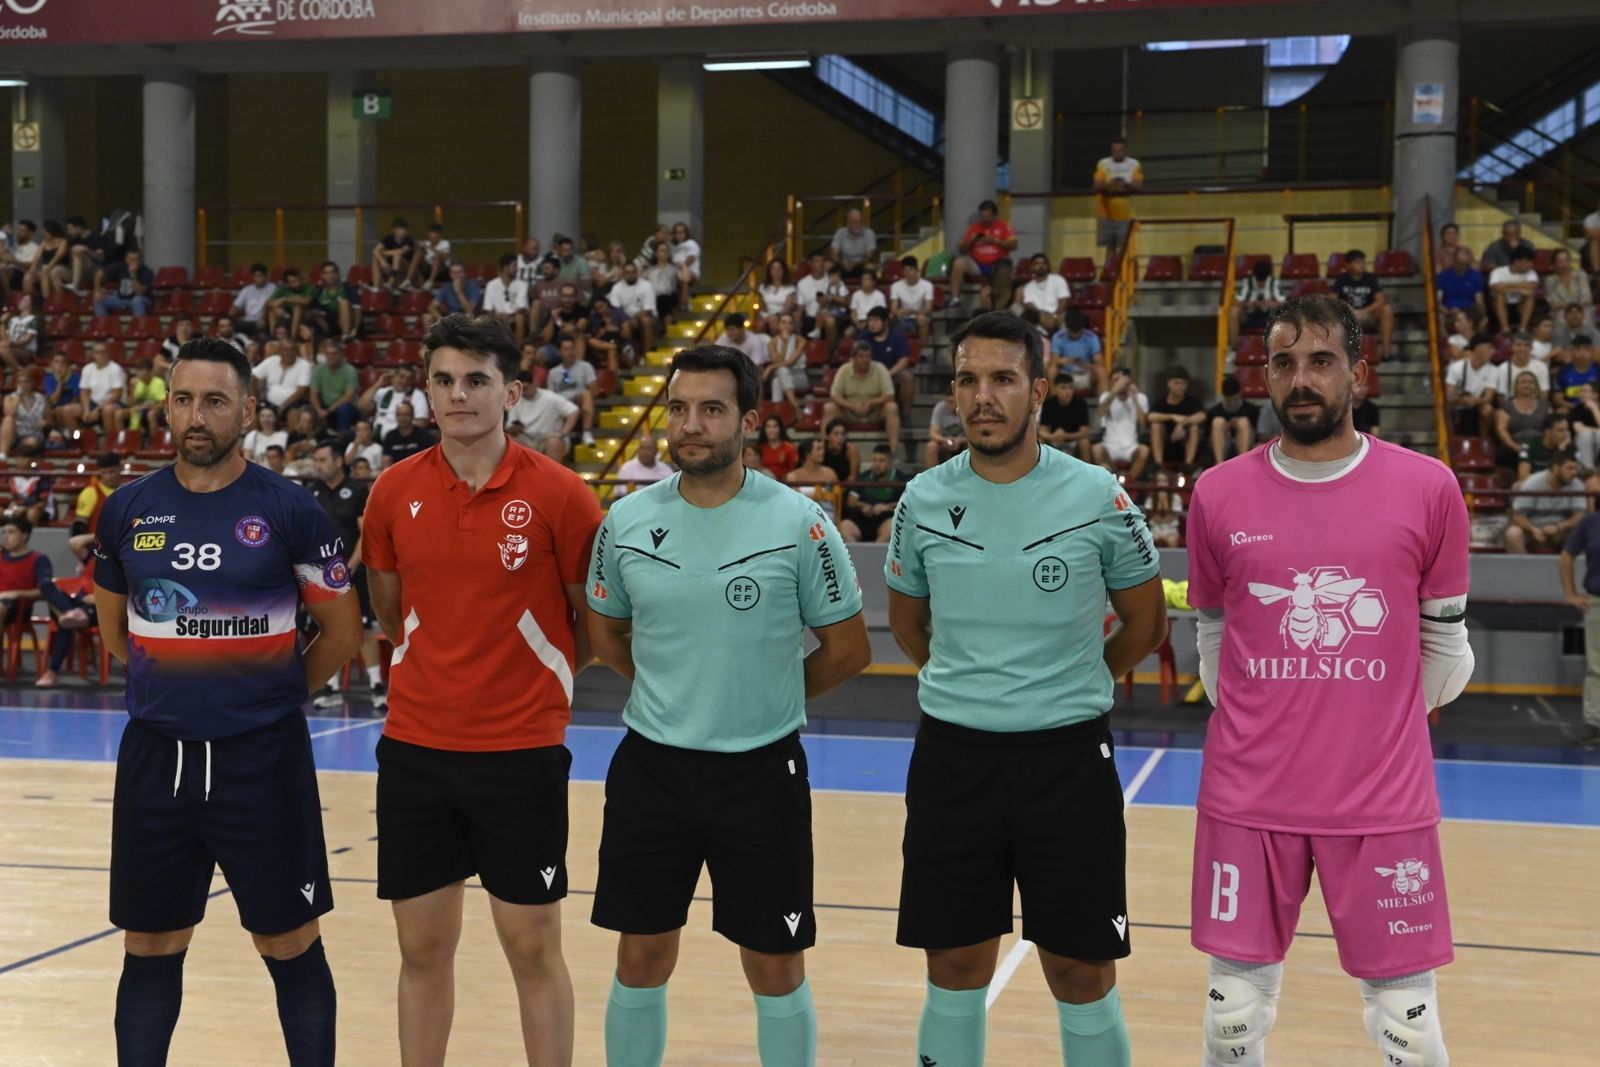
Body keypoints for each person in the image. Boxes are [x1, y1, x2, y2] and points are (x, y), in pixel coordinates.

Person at [1184, 294, 1473, 1067]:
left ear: (1359, 372)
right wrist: (1265, 717)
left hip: (1382, 799)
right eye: (1283, 363)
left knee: (1407, 1025)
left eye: (1320, 361)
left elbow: (1447, 652)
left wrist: (1374, 723)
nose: (1300, 379)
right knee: (1232, 1016)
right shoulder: (1216, 493)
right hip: (1249, 797)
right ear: (1265, 377)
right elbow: (1215, 639)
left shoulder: (1430, 487)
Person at [885, 310, 1166, 1067]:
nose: (984, 396)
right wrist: (972, 682)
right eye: (969, 380)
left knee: (1079, 970)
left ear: (1039, 390)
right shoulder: (922, 500)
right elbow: (910, 623)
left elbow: (1145, 621)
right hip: (954, 761)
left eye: (1003, 379)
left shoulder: (1097, 495)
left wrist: (1077, 679)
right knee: (954, 967)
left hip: (1067, 763)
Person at [585, 344, 870, 1067]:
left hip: (761, 772)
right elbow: (608, 632)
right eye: (679, 408)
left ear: (748, 419)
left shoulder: (800, 521)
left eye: (711, 409)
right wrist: (670, 688)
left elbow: (848, 648)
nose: (692, 424)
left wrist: (766, 693)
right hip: (653, 769)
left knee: (774, 963)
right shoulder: (623, 521)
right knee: (642, 954)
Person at [90, 335, 362, 1067]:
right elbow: (118, 630)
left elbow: (342, 629)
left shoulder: (291, 509)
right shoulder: (125, 511)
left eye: (214, 400)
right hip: (157, 759)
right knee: (150, 944)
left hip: (262, 760)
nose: (196, 415)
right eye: (183, 399)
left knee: (289, 939)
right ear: (167, 409)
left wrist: (272, 694)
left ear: (247, 408)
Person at [362, 313, 603, 1067]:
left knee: (532, 946)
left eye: (475, 380)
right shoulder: (392, 492)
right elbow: (391, 609)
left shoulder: (564, 496)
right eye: (442, 380)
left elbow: (589, 624)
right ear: (425, 391)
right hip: (416, 751)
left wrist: (534, 687)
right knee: (422, 945)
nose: (457, 394)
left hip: (521, 753)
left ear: (514, 391)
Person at [306, 442, 389, 712]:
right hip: (321, 574)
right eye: (315, 460)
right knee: (327, 628)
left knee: (362, 628)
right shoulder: (313, 491)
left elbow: (365, 535)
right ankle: (329, 687)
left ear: (338, 461)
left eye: (322, 460)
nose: (318, 465)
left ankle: (377, 687)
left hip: (353, 571)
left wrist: (348, 569)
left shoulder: (355, 490)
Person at [1560, 507, 1600, 746]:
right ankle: (1595, 723)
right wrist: (1571, 593)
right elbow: (1567, 555)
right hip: (1597, 602)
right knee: (1597, 666)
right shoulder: (1590, 522)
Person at [823, 342, 901, 457]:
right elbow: (835, 395)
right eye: (861, 357)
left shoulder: (880, 369)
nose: (865, 360)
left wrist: (870, 403)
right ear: (853, 358)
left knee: (892, 407)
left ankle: (893, 452)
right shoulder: (844, 370)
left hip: (875, 412)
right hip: (849, 412)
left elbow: (890, 395)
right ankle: (824, 451)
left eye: (868, 357)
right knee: (829, 408)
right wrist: (852, 406)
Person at [1505, 450, 1587, 554]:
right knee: (1513, 534)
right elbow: (1517, 515)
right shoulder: (1533, 483)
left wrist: (1558, 527)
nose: (1574, 472)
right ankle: (1523, 569)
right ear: (1556, 468)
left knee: (1584, 533)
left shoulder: (1577, 485)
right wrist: (1533, 529)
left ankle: (1575, 569)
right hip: (1534, 529)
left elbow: (1579, 516)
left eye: (1576, 468)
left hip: (1562, 530)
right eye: (1570, 468)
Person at [949, 200, 1017, 311]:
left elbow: (1014, 245)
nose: (985, 220)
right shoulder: (974, 228)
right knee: (959, 263)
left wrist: (994, 240)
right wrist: (972, 240)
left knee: (1004, 268)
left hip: (998, 263)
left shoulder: (1004, 226)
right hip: (977, 263)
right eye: (982, 216)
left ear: (995, 215)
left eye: (988, 217)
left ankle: (999, 305)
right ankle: (955, 298)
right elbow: (961, 250)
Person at [1331, 250, 1393, 361]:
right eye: (1358, 262)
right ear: (1348, 265)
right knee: (1333, 314)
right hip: (1349, 316)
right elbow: (1332, 299)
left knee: (1387, 309)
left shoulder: (1371, 278)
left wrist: (1364, 311)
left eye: (1363, 262)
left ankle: (1387, 354)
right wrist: (1349, 309)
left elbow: (1380, 300)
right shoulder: (1342, 279)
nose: (1362, 265)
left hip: (1368, 315)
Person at [1092, 365, 1150, 479]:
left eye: (1122, 380)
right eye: (1116, 380)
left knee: (1144, 450)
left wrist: (1134, 399)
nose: (1120, 384)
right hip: (1110, 445)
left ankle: (1129, 482)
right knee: (1096, 449)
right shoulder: (1106, 396)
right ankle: (1112, 480)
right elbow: (1100, 413)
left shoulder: (1140, 397)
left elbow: (1144, 424)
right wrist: (1114, 391)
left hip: (1131, 446)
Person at [505, 371, 579, 460]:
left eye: (525, 388)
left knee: (554, 441)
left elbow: (574, 411)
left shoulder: (550, 397)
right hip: (527, 439)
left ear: (534, 384)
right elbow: (510, 427)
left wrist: (563, 433)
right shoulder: (516, 401)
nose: (523, 392)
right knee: (512, 440)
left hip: (549, 438)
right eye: (520, 389)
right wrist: (514, 428)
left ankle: (553, 473)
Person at [1093, 136, 1143, 266]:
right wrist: (1112, 185)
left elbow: (1138, 186)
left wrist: (1125, 185)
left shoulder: (1134, 164)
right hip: (1105, 212)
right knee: (1109, 247)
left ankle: (1123, 273)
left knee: (1124, 246)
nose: (1117, 153)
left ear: (1125, 150)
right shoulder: (1103, 164)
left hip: (1126, 214)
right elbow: (1098, 186)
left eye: (1120, 150)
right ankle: (1109, 273)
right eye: (1114, 150)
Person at [1147, 366, 1208, 470]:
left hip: (1185, 444)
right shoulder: (1161, 403)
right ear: (1169, 384)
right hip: (1166, 443)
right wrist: (1172, 417)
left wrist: (1182, 424)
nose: (1180, 386)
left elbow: (1202, 416)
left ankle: (1188, 465)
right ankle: (1158, 464)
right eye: (1177, 383)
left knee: (1194, 427)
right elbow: (1150, 416)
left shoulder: (1192, 402)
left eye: (1183, 383)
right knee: (1156, 426)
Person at [843, 444, 905, 543]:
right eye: (874, 460)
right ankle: (856, 556)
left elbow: (907, 504)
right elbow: (851, 501)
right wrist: (863, 505)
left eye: (881, 461)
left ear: (890, 463)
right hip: (863, 519)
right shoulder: (864, 477)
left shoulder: (901, 479)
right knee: (845, 526)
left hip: (886, 518)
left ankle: (874, 556)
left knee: (892, 526)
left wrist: (887, 507)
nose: (877, 464)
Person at [1444, 333, 1501, 437]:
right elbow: (1449, 396)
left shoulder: (1493, 370)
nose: (1493, 352)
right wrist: (1461, 400)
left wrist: (1474, 401)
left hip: (1477, 404)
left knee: (1487, 409)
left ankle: (1484, 439)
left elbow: (1488, 397)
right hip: (1458, 405)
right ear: (1478, 348)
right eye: (1489, 348)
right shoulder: (1457, 367)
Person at [1494, 370, 1552, 469]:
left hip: (1539, 444)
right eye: (1523, 382)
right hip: (1515, 445)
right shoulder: (1508, 406)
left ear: (1536, 386)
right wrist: (1514, 446)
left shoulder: (1545, 406)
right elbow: (1501, 430)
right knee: (1504, 453)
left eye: (1530, 382)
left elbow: (1552, 428)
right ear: (1516, 386)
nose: (1526, 385)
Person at [1230, 260, 1288, 348]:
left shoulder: (1273, 283)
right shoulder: (1248, 282)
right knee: (1234, 311)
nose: (1261, 284)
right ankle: (1234, 347)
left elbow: (1284, 303)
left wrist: (1270, 304)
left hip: (1269, 317)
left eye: (1263, 281)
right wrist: (1248, 304)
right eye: (1259, 281)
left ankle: (1283, 345)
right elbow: (1237, 302)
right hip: (1250, 316)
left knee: (1284, 313)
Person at [310, 340, 360, 434]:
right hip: (325, 407)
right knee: (306, 410)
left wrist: (328, 411)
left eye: (334, 353)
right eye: (328, 353)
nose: (330, 356)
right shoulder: (319, 370)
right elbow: (313, 393)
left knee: (344, 409)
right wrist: (319, 410)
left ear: (341, 355)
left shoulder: (350, 371)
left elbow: (348, 396)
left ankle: (343, 440)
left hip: (348, 407)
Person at [1050, 310, 1106, 394]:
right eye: (1072, 332)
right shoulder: (1058, 337)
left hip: (1085, 374)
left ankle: (1104, 404)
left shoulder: (1092, 337)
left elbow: (1100, 363)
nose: (1074, 335)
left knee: (1101, 371)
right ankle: (1053, 404)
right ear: (1067, 327)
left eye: (1077, 332)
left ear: (1082, 327)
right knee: (1052, 370)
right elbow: (1054, 361)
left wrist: (1086, 365)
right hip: (1065, 375)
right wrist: (1064, 361)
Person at [1037, 373, 1091, 459]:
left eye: (1070, 387)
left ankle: (1086, 471)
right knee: (1039, 442)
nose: (1067, 392)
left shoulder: (1080, 403)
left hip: (1074, 440)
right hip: (1054, 439)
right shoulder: (1049, 403)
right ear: (1056, 389)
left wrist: (1065, 435)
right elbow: (1042, 430)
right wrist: (1052, 437)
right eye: (1063, 388)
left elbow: (1085, 431)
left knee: (1084, 442)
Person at [1208, 375, 1259, 465]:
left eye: (1234, 399)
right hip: (1223, 444)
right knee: (1218, 422)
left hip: (1246, 446)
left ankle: (1243, 462)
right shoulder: (1214, 412)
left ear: (1239, 394)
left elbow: (1257, 435)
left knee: (1243, 421)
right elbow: (1208, 437)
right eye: (1229, 399)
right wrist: (1226, 426)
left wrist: (1238, 425)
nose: (1231, 402)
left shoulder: (1251, 410)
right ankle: (1219, 464)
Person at [1488, 245, 1539, 334]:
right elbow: (1495, 287)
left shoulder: (1531, 272)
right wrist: (1521, 289)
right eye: (1528, 261)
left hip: (1520, 306)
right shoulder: (1498, 271)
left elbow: (1532, 287)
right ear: (1517, 261)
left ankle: (1522, 329)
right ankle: (1505, 329)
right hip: (1500, 306)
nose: (1531, 264)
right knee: (1499, 295)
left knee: (1529, 296)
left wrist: (1506, 286)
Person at [1016, 254, 1073, 334]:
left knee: (1067, 318)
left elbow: (1064, 301)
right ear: (1031, 267)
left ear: (1048, 266)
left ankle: (1061, 342)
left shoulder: (1058, 279)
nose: (1041, 266)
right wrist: (1041, 317)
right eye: (1037, 264)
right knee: (1025, 315)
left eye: (1043, 263)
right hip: (1038, 316)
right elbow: (1029, 304)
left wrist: (1054, 316)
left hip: (1057, 314)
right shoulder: (1028, 287)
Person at [1434, 246, 1486, 327]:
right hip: (1449, 310)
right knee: (1439, 317)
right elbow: (1437, 302)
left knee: (1480, 318)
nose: (1463, 267)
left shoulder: (1476, 276)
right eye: (1461, 264)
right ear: (1454, 261)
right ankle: (1445, 339)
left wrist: (1483, 316)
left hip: (1469, 311)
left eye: (1467, 265)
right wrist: (1448, 311)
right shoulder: (1443, 276)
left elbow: (1479, 301)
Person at [890, 255, 935, 348]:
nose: (908, 273)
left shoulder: (927, 285)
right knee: (891, 316)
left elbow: (928, 309)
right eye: (905, 270)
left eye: (910, 269)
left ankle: (924, 351)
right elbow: (893, 308)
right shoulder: (896, 286)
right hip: (902, 318)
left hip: (918, 317)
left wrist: (912, 311)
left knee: (922, 318)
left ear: (916, 270)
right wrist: (899, 312)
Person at [380, 402, 437, 468]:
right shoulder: (390, 436)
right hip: (397, 474)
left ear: (412, 416)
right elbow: (385, 462)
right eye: (399, 415)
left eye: (406, 414)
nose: (402, 418)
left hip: (418, 473)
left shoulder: (423, 435)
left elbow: (429, 461)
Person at [829, 207, 878, 276]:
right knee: (828, 266)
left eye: (860, 221)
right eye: (854, 222)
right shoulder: (840, 232)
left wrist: (855, 264)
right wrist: (842, 263)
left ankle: (868, 287)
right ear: (847, 223)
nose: (858, 225)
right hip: (843, 264)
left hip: (861, 264)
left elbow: (869, 257)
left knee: (870, 267)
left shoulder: (869, 233)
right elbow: (834, 254)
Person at [231, 263, 276, 337]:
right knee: (230, 326)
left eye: (262, 276)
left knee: (261, 327)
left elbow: (269, 304)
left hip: (263, 321)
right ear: (252, 276)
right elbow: (236, 306)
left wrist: (263, 319)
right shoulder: (247, 289)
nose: (260, 278)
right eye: (257, 276)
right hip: (247, 320)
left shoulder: (272, 287)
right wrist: (229, 319)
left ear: (266, 276)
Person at [924, 395, 968, 469]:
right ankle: (931, 478)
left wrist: (961, 440)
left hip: (964, 443)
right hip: (945, 443)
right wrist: (946, 440)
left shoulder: (968, 409)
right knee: (932, 446)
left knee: (972, 446)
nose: (949, 405)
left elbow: (977, 434)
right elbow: (933, 433)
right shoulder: (940, 408)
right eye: (948, 402)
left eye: (952, 402)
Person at [372, 217, 416, 290]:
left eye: (404, 229)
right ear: (394, 230)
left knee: (397, 256)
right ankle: (376, 287)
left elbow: (400, 251)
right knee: (375, 258)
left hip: (405, 268)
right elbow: (375, 251)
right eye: (400, 229)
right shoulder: (388, 238)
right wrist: (382, 262)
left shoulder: (409, 240)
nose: (403, 232)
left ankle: (390, 283)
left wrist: (382, 253)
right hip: (391, 267)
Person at [757, 259, 797, 336]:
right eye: (773, 269)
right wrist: (765, 316)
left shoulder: (790, 287)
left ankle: (777, 346)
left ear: (784, 271)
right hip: (767, 314)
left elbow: (788, 308)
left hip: (784, 315)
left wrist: (775, 316)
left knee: (773, 322)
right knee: (760, 324)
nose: (776, 272)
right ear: (770, 271)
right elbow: (761, 306)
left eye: (779, 269)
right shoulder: (763, 287)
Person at [759, 415, 800, 482]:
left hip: (785, 483)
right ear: (764, 430)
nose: (771, 430)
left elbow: (794, 470)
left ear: (780, 429)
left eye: (775, 426)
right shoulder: (760, 449)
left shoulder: (789, 448)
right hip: (764, 482)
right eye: (768, 427)